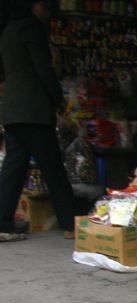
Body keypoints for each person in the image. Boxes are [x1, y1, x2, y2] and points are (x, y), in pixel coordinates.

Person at [0, 0, 74, 242]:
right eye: (45, 6)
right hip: (33, 110)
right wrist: (57, 98)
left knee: (14, 167)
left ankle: (3, 223)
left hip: (12, 110)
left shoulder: (9, 30)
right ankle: (70, 222)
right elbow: (43, 69)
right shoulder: (32, 29)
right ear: (34, 7)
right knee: (53, 167)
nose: (48, 12)